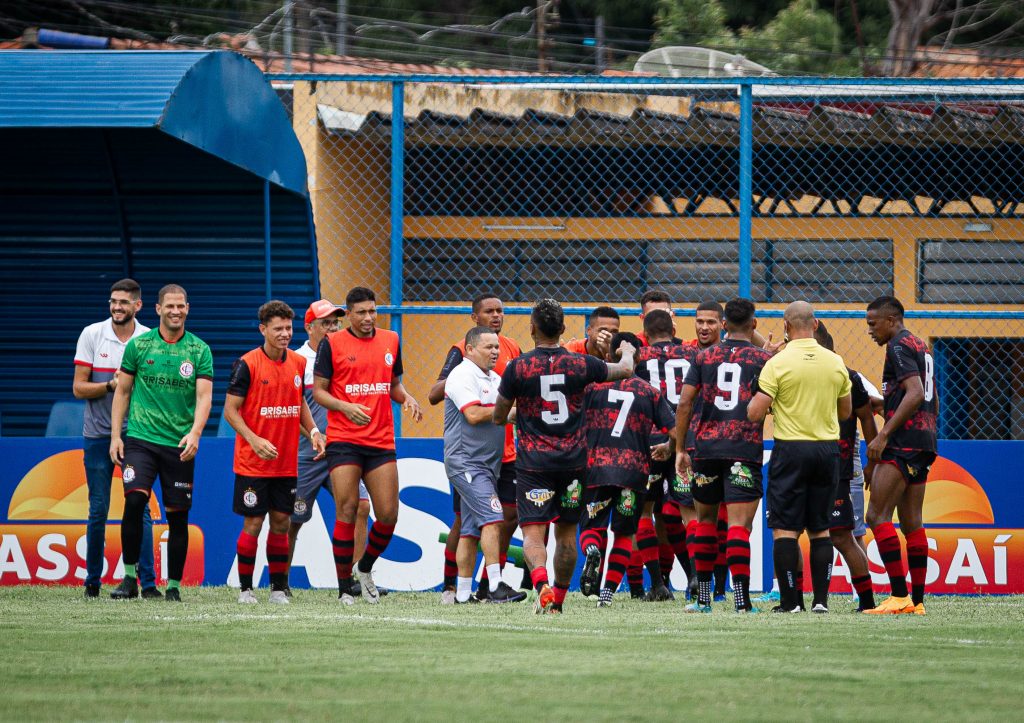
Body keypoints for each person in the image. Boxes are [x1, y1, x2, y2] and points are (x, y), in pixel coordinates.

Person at [493, 299, 635, 613]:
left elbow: (500, 415)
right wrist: (625, 349)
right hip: (574, 463)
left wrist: (525, 414)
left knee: (533, 532)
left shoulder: (519, 367)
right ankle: (557, 600)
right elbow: (625, 370)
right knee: (567, 533)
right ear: (563, 329)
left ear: (531, 328)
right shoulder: (580, 364)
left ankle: (540, 581)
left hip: (534, 464)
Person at [313, 286, 422, 604]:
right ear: (348, 315)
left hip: (380, 440)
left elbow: (393, 384)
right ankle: (344, 586)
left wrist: (407, 398)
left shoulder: (391, 340)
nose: (368, 317)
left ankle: (365, 566)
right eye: (361, 312)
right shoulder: (332, 344)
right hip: (344, 440)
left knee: (388, 515)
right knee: (347, 509)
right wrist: (345, 407)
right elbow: (319, 391)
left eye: (373, 311)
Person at [109, 284, 213, 602]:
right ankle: (129, 579)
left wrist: (195, 433)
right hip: (140, 440)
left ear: (188, 308)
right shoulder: (139, 346)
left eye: (181, 306)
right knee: (135, 502)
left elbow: (205, 397)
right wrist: (116, 436)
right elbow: (123, 392)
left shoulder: (199, 350)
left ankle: (174, 587)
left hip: (178, 445)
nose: (175, 311)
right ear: (157, 309)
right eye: (169, 306)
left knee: (178, 515)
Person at [747, 301, 852, 614]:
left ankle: (791, 602)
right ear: (816, 324)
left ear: (785, 325)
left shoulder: (778, 363)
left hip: (791, 448)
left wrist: (771, 403)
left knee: (785, 528)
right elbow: (845, 411)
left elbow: (754, 413)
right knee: (821, 528)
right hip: (827, 449)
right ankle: (821, 601)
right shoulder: (835, 362)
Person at [676, 298, 773, 613]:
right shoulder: (763, 359)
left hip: (705, 448)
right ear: (754, 324)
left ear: (724, 324)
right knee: (738, 528)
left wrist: (680, 448)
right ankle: (742, 602)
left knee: (704, 522)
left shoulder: (703, 357)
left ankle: (704, 600)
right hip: (743, 449)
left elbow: (685, 403)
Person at [225, 300, 325, 604]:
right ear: (263, 329)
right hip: (253, 464)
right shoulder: (247, 364)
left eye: (288, 328)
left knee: (281, 523)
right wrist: (254, 439)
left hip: (286, 463)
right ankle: (245, 589)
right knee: (253, 523)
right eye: (278, 328)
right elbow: (231, 411)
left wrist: (315, 432)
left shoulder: (298, 363)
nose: (284, 333)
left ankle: (278, 588)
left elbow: (299, 404)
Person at [427, 294, 521, 602]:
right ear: (470, 349)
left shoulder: (494, 376)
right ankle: (495, 584)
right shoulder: (461, 373)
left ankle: (463, 594)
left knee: (469, 530)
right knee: (494, 518)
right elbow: (474, 414)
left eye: (496, 347)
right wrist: (512, 414)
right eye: (488, 347)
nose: (495, 351)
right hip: (467, 463)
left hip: (490, 463)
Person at [578, 331, 677, 608]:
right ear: (640, 356)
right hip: (634, 472)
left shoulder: (592, 387)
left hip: (596, 468)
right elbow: (675, 430)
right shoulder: (649, 391)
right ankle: (607, 594)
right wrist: (669, 447)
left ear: (609, 357)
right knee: (623, 534)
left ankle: (592, 550)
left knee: (591, 527)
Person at [73, 278, 158, 599]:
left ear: (137, 306)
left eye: (123, 302)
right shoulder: (92, 334)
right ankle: (91, 583)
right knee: (97, 510)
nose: (116, 307)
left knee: (140, 509)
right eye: (113, 301)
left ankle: (146, 584)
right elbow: (78, 388)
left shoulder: (149, 339)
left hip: (136, 435)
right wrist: (111, 385)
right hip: (97, 436)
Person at [288, 300, 373, 594]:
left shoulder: (346, 354)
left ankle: (356, 578)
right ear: (308, 327)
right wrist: (313, 433)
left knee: (361, 507)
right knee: (293, 519)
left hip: (341, 450)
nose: (333, 328)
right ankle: (280, 582)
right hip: (306, 454)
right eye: (326, 323)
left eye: (336, 322)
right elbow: (293, 406)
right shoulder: (297, 360)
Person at [862, 295, 938, 615]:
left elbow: (916, 392)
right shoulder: (921, 344)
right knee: (911, 521)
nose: (870, 330)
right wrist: (885, 407)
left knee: (876, 516)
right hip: (924, 441)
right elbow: (919, 394)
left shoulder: (897, 346)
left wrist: (883, 433)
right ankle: (917, 602)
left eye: (873, 323)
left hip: (903, 443)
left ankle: (898, 595)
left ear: (891, 320)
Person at [631, 310, 701, 601]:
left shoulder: (639, 357)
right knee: (690, 513)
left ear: (645, 332)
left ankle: (658, 584)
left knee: (643, 512)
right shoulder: (692, 354)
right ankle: (698, 576)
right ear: (674, 328)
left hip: (649, 440)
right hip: (684, 439)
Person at [813, 322, 879, 612]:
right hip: (803, 460)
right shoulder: (787, 369)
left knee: (845, 534)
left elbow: (870, 413)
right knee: (789, 530)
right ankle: (805, 600)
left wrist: (871, 461)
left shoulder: (849, 376)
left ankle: (864, 598)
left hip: (840, 464)